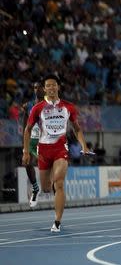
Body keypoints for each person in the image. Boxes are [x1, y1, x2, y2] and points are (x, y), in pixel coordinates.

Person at [22, 74, 91, 232]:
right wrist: (26, 151)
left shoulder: (68, 107)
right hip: (44, 150)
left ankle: (57, 222)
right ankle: (40, 189)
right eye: (48, 86)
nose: (51, 88)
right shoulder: (37, 108)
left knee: (59, 183)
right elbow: (27, 130)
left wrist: (84, 146)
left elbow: (77, 128)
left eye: (54, 85)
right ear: (44, 89)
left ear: (58, 87)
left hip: (61, 148)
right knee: (47, 188)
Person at [22, 82, 45, 207]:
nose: (37, 89)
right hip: (32, 139)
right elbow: (25, 124)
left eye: (40, 87)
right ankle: (35, 188)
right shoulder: (28, 105)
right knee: (26, 163)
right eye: (35, 87)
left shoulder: (49, 105)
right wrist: (24, 144)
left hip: (44, 139)